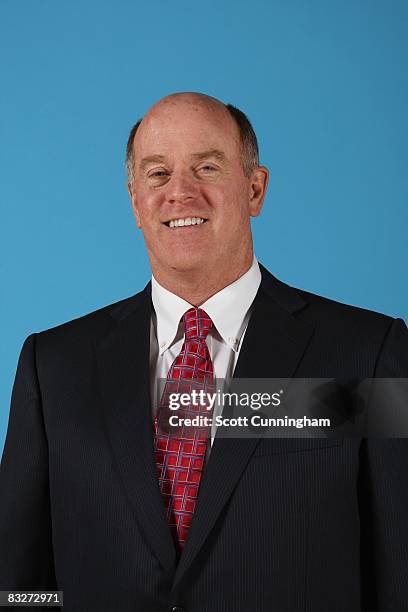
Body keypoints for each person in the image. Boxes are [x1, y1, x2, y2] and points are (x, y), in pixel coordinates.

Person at [0, 92, 407, 612]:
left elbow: (399, 573)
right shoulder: (52, 366)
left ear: (255, 189)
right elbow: (17, 585)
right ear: (134, 202)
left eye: (207, 167)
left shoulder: (368, 353)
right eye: (157, 174)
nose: (180, 193)